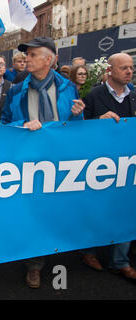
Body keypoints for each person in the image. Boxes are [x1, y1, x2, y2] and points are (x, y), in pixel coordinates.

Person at [1, 37, 85, 288]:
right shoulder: (17, 90)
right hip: (30, 163)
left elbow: (76, 129)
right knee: (33, 213)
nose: (27, 58)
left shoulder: (69, 88)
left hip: (61, 161)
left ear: (50, 60)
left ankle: (58, 252)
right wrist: (23, 125)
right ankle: (34, 265)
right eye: (26, 55)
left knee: (56, 210)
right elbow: (4, 124)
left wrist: (78, 116)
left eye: (34, 54)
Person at [81, 53, 135, 282]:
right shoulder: (94, 95)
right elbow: (80, 129)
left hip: (127, 165)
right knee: (98, 208)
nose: (129, 72)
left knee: (126, 208)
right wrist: (98, 122)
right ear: (110, 71)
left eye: (131, 68)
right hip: (100, 165)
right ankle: (90, 252)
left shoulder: (134, 96)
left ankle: (120, 261)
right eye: (124, 68)